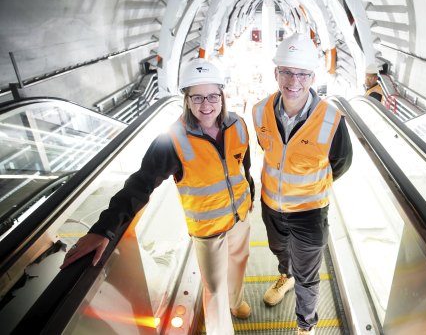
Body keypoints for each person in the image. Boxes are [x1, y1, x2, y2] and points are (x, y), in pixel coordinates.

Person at [60, 59, 254, 335]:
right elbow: (139, 184)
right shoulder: (172, 140)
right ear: (186, 99)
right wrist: (104, 228)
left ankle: (237, 302)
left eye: (212, 95)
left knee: (239, 265)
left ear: (222, 95)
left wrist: (251, 194)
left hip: (241, 217)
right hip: (208, 231)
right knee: (214, 289)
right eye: (197, 97)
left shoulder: (238, 125)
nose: (206, 105)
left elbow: (243, 165)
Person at [252, 33, 353, 335]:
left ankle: (305, 326)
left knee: (308, 275)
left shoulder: (332, 120)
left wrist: (312, 186)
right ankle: (286, 275)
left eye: (302, 74)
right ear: (276, 73)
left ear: (312, 76)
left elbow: (342, 162)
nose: (293, 81)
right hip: (272, 207)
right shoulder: (259, 111)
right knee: (280, 251)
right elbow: (265, 147)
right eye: (287, 72)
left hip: (309, 212)